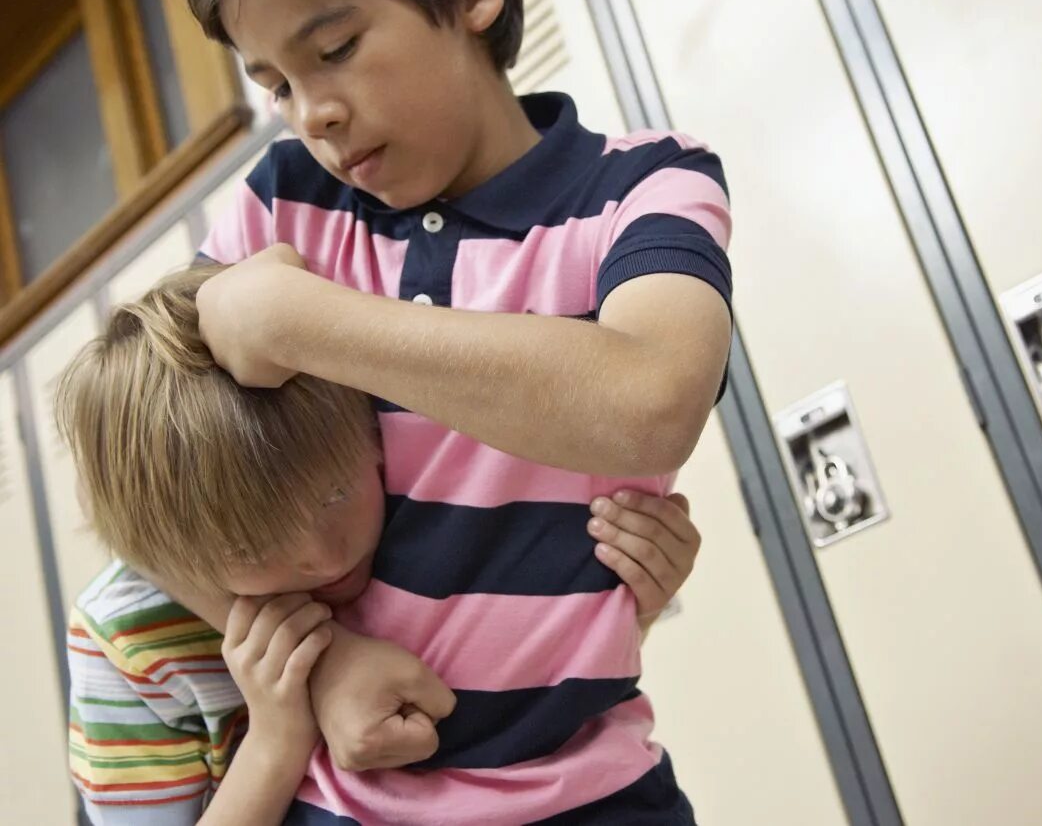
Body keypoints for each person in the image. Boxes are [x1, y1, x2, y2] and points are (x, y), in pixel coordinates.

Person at [183, 0, 732, 819]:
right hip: (345, 802)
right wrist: (323, 667)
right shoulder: (282, 205)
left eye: (336, 50)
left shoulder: (647, 184)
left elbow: (650, 401)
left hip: (594, 793)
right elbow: (137, 489)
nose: (312, 112)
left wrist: (301, 324)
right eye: (277, 86)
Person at [62, 267, 705, 825]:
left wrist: (639, 599)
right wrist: (278, 739)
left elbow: (510, 680)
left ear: (370, 434)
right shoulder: (126, 636)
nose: (322, 555)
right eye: (253, 546)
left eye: (337, 496)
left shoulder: (407, 479)